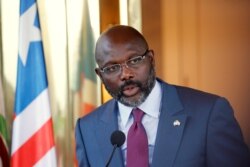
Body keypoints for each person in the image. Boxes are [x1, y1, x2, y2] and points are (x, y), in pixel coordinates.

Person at [75, 25, 250, 167]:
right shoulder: (87, 129)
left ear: (151, 59)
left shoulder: (209, 114)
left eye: (134, 60)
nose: (126, 74)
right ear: (100, 75)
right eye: (112, 68)